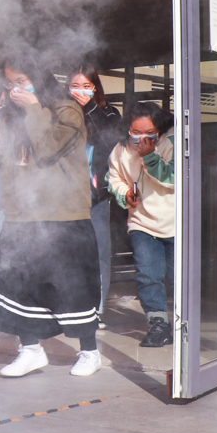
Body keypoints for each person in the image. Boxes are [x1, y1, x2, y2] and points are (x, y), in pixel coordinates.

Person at [0, 53, 102, 378]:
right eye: (10, 83)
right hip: (21, 215)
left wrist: (33, 108)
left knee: (71, 288)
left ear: (38, 78)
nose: (15, 89)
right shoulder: (10, 115)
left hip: (62, 214)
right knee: (17, 285)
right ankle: (30, 349)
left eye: (21, 81)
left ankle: (90, 352)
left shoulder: (67, 110)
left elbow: (47, 149)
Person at [106, 101, 176, 348]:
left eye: (149, 132)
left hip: (176, 223)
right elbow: (113, 178)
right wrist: (124, 194)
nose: (141, 138)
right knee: (148, 275)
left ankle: (183, 322)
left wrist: (149, 156)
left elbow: (173, 179)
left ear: (159, 129)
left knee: (177, 276)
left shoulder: (171, 144)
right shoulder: (121, 149)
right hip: (141, 224)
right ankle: (158, 325)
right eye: (135, 132)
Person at [68, 65, 123, 328]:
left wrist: (90, 108)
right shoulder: (62, 112)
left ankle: (95, 311)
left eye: (86, 86)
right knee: (68, 253)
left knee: (99, 252)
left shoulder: (109, 113)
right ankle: (69, 308)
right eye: (75, 86)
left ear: (96, 88)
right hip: (65, 195)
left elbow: (110, 142)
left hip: (96, 196)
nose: (80, 92)